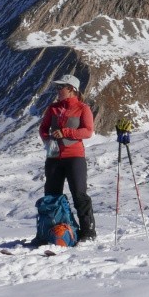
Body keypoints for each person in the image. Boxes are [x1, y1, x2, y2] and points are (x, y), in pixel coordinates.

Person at [38, 74, 96, 241]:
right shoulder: (53, 108)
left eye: (61, 87)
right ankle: (51, 232)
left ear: (72, 89)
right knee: (51, 195)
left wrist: (65, 132)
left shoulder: (83, 108)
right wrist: (47, 140)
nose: (57, 90)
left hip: (75, 157)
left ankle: (88, 232)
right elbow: (43, 128)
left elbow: (88, 131)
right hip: (54, 157)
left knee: (79, 194)